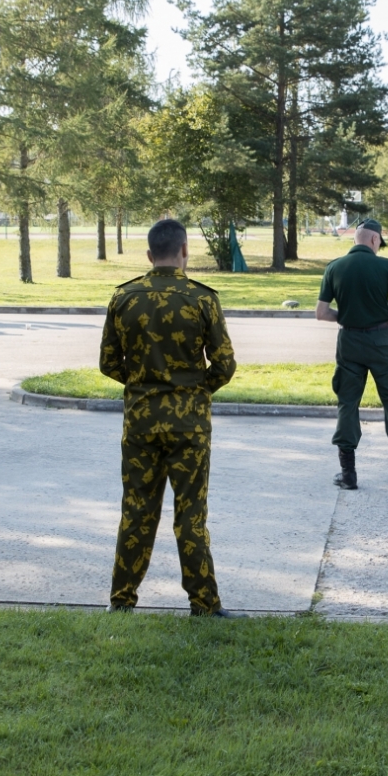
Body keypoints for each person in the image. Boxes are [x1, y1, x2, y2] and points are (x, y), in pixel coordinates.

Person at [99, 218, 240, 617]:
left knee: (136, 512)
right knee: (190, 515)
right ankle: (204, 604)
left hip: (141, 424)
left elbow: (108, 362)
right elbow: (225, 364)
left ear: (149, 255)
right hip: (189, 426)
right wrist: (193, 392)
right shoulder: (201, 299)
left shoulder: (124, 298)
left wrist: (143, 386)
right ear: (184, 252)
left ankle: (121, 601)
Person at [315, 219, 388, 491]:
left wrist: (346, 316)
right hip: (381, 341)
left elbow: (321, 313)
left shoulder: (334, 267)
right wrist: (383, 320)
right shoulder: (387, 267)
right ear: (373, 240)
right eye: (380, 241)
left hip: (349, 341)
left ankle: (348, 474)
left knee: (348, 403)